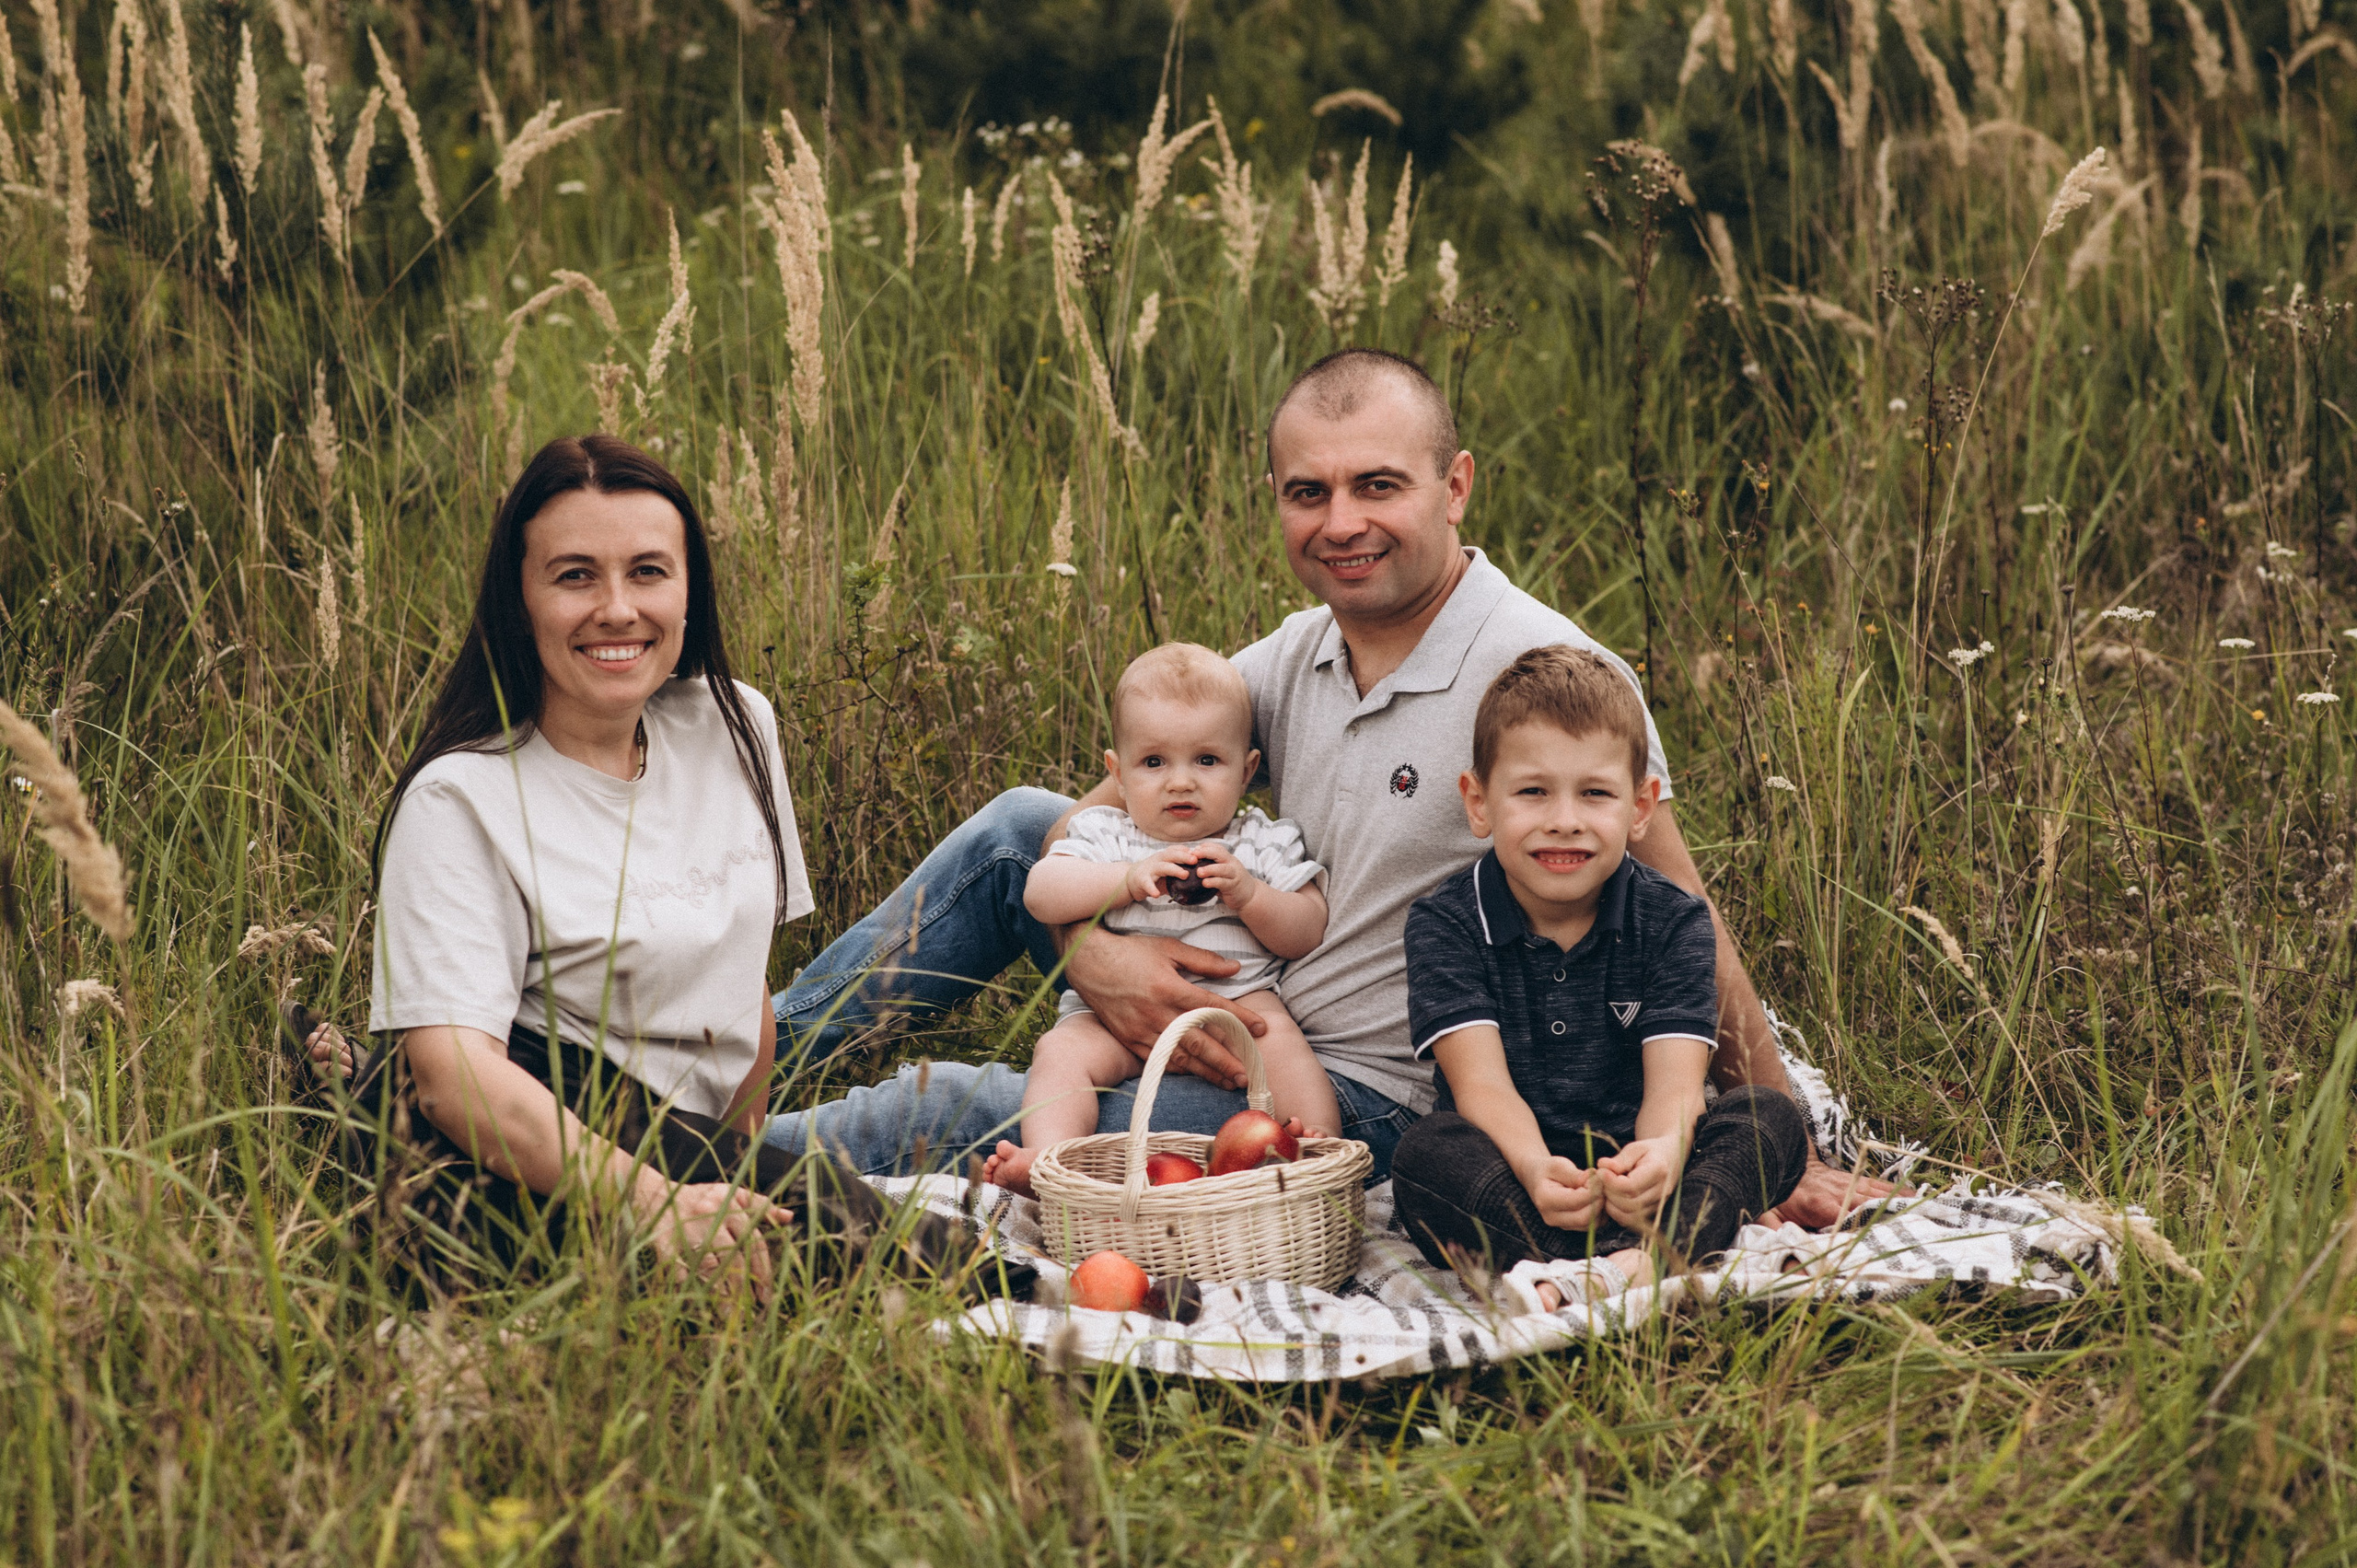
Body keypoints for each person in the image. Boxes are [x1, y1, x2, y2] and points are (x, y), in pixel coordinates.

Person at [761, 349, 1888, 1230]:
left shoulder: (1546, 675)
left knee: (956, 1107)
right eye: (1310, 491)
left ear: (1454, 487)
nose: (1340, 522)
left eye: (1377, 485)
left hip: (1359, 1091)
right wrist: (1095, 953)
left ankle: (688, 1154)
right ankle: (742, 1058)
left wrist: (1786, 1142)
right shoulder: (1286, 658)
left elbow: (1683, 914)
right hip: (1221, 994)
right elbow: (1085, 821)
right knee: (1018, 824)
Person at [296, 435, 993, 1296]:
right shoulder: (460, 800)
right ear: (520, 600)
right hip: (549, 1134)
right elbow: (452, 1079)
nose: (617, 608)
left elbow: (747, 988)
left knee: (825, 1204)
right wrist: (662, 1202)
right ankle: (1044, 1297)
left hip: (684, 1143)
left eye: (649, 571)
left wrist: (735, 1170)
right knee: (912, 1258)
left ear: (690, 590)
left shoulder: (736, 726)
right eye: (576, 575)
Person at [1387, 645, 1808, 1306]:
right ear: (1479, 801)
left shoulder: (1672, 920)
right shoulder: (1447, 922)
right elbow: (1481, 1087)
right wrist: (1533, 1168)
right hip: (1520, 1175)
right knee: (1425, 1154)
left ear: (1640, 806)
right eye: (1532, 791)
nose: (1564, 819)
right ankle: (1602, 1265)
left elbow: (1676, 1087)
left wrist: (1663, 1154)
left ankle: (1624, 1265)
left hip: (1648, 1176)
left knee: (1768, 1119)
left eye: (1595, 793)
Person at [978, 644, 1333, 1195]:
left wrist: (1250, 894)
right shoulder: (1110, 833)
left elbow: (1307, 927)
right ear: (1117, 775)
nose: (1180, 781)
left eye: (1207, 760)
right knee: (1060, 1054)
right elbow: (1041, 894)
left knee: (1282, 1042)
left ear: (1248, 770)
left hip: (1238, 1003)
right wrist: (1122, 879)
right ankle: (1049, 1165)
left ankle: (1316, 1153)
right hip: (1113, 1021)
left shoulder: (1259, 840)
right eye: (1153, 762)